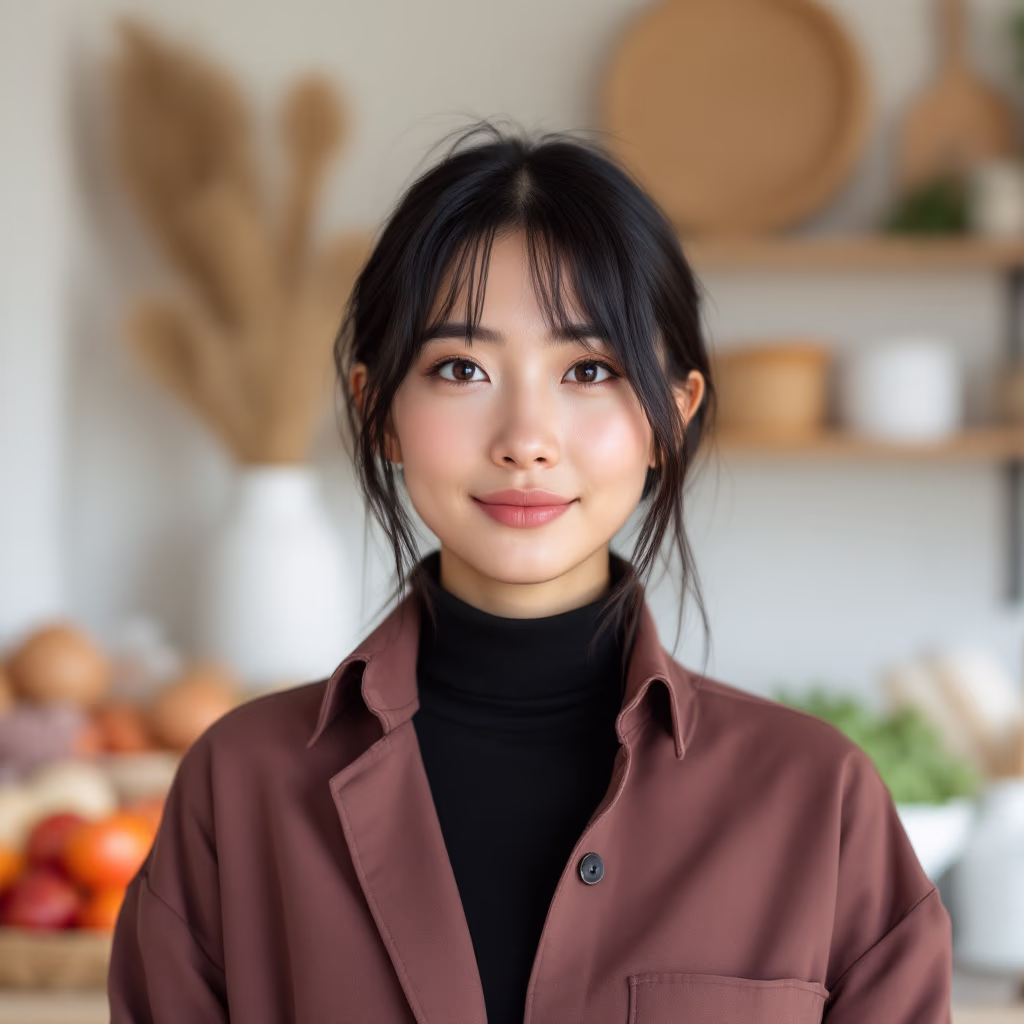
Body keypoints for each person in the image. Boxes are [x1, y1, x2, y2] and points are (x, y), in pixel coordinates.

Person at [108, 121, 953, 1023]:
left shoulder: (818, 800)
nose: (525, 442)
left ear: (674, 413)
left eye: (588, 369)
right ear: (378, 408)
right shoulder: (241, 786)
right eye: (461, 368)